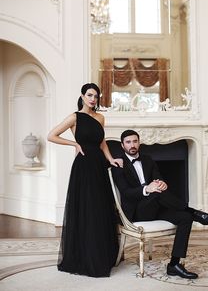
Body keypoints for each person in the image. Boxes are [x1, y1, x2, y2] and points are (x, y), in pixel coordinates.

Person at [111, 129, 208, 280]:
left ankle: (174, 265)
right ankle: (195, 212)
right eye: (128, 142)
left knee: (184, 217)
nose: (132, 145)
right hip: (136, 212)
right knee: (156, 194)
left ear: (139, 142)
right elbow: (126, 192)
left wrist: (162, 184)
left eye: (135, 141)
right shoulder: (118, 165)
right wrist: (147, 189)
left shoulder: (148, 159)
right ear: (122, 145)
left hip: (156, 206)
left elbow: (158, 179)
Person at [47, 83, 122, 278]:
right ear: (82, 96)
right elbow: (51, 136)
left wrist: (111, 159)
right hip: (83, 166)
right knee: (87, 209)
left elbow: (102, 143)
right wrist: (74, 142)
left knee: (100, 208)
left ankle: (102, 256)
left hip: (98, 165)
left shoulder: (100, 117)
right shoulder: (74, 117)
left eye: (96, 96)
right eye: (89, 95)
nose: (93, 99)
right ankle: (86, 257)